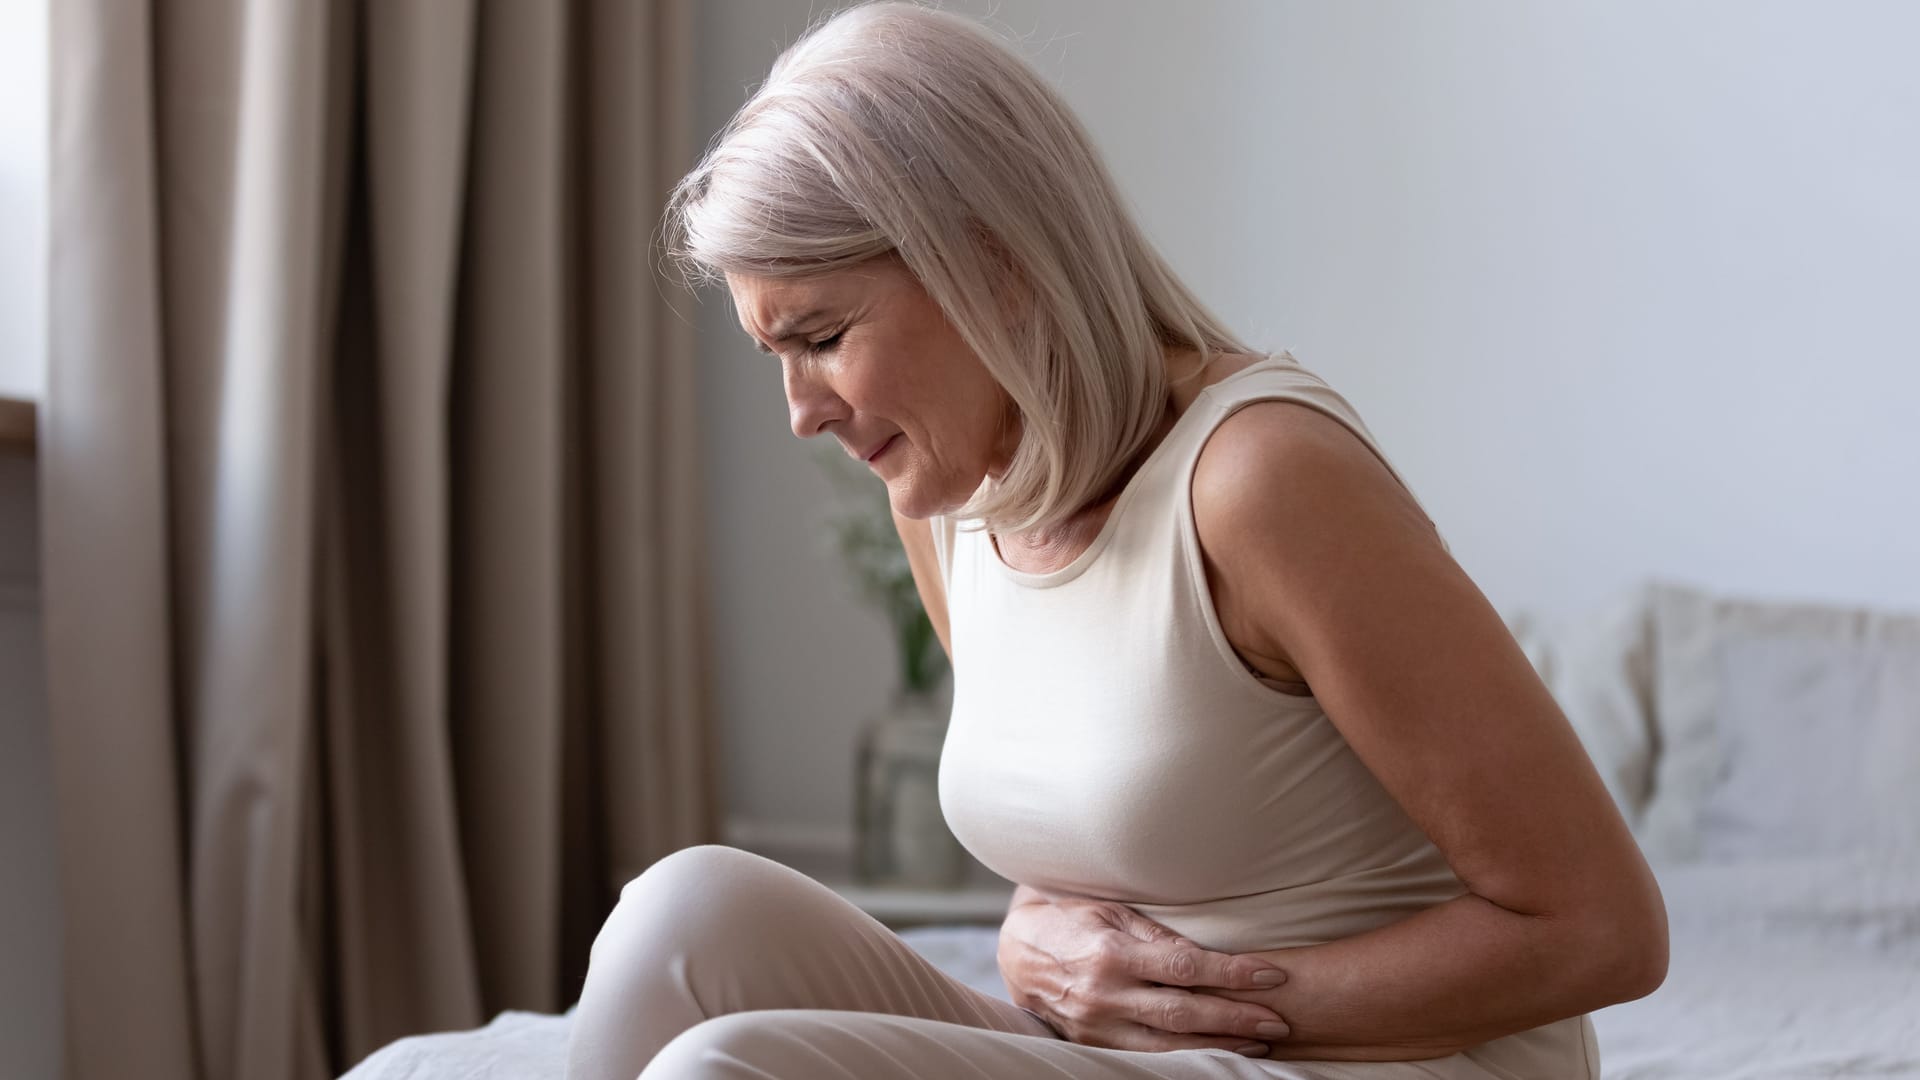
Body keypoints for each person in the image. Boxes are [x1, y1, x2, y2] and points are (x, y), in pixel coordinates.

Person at [565, 3, 1667, 1077]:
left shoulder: (1260, 481)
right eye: (777, 355)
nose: (803, 413)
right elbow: (1099, 820)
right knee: (682, 914)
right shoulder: (944, 501)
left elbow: (1601, 928)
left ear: (988, 259)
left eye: (825, 336)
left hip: (1365, 1064)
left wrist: (1221, 1012)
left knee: (726, 1068)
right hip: (1149, 1056)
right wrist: (1027, 940)